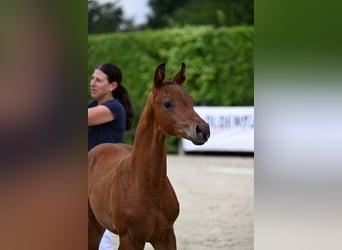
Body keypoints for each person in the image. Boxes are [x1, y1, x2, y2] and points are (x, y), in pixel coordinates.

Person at [88, 62, 134, 249]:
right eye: (92, 78)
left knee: (100, 233)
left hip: (104, 177)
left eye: (98, 80)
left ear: (112, 86)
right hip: (89, 174)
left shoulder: (114, 108)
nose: (92, 82)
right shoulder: (92, 105)